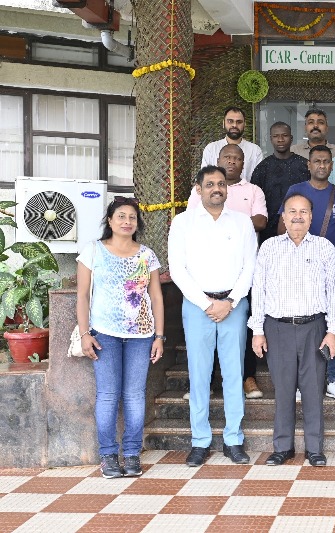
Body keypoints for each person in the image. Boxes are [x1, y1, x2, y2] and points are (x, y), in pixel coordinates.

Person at [168, 166, 257, 467]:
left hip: (234, 304)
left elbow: (250, 266)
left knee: (234, 373)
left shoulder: (242, 223)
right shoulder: (183, 223)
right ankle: (200, 441)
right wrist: (206, 304)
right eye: (210, 184)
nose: (216, 188)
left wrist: (230, 301)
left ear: (227, 189)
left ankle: (233, 439)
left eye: (221, 184)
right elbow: (177, 269)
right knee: (199, 374)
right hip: (197, 306)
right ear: (198, 189)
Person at [250, 193, 335, 467]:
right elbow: (259, 291)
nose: (298, 217)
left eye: (303, 212)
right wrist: (257, 330)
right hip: (277, 328)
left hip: (314, 327)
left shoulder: (324, 247)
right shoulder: (269, 247)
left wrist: (333, 330)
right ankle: (283, 447)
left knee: (313, 389)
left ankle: (315, 448)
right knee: (283, 389)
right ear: (284, 216)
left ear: (311, 217)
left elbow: (333, 292)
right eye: (292, 211)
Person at [76, 197, 164, 479]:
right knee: (108, 395)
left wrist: (159, 336)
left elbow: (156, 297)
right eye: (121, 216)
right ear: (110, 221)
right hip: (104, 334)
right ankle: (108, 456)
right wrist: (85, 333)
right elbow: (82, 296)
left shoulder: (147, 255)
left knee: (135, 396)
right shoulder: (93, 251)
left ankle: (132, 454)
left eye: (132, 217)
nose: (127, 222)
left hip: (141, 335)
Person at [187, 144, 268, 399]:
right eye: (227, 157)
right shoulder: (199, 190)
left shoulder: (253, 190)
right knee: (204, 337)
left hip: (241, 274)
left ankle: (247, 378)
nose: (232, 161)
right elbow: (192, 222)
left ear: (244, 164)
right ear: (218, 159)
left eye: (237, 158)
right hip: (204, 277)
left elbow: (261, 220)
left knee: (244, 330)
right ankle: (206, 381)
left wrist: (231, 220)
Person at [279, 145, 335, 401]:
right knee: (303, 324)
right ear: (308, 165)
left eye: (326, 162)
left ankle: (334, 378)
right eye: (317, 161)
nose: (322, 165)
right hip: (298, 266)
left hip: (330, 265)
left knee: (333, 320)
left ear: (332, 165)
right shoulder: (296, 191)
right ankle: (302, 383)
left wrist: (331, 254)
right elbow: (283, 228)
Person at [250, 121, 310, 242]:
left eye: (285, 135)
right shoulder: (262, 168)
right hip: (268, 232)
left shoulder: (304, 165)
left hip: (300, 228)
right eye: (276, 136)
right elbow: (255, 201)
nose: (281, 139)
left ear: (291, 138)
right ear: (270, 139)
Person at [201, 106, 263, 182]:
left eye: (239, 122)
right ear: (223, 123)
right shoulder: (211, 149)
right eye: (230, 121)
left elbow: (258, 181)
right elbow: (204, 179)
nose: (234, 125)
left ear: (245, 124)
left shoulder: (255, 151)